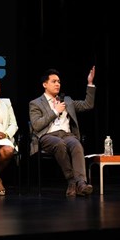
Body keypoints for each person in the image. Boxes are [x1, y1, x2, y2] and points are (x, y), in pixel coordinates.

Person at [29, 66, 96, 197]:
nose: (57, 84)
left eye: (59, 81)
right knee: (59, 144)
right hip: (47, 135)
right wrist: (55, 111)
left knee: (76, 144)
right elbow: (36, 125)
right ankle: (72, 180)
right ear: (45, 84)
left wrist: (90, 83)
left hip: (67, 134)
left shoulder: (67, 101)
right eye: (54, 81)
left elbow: (88, 105)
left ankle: (81, 183)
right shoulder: (35, 103)